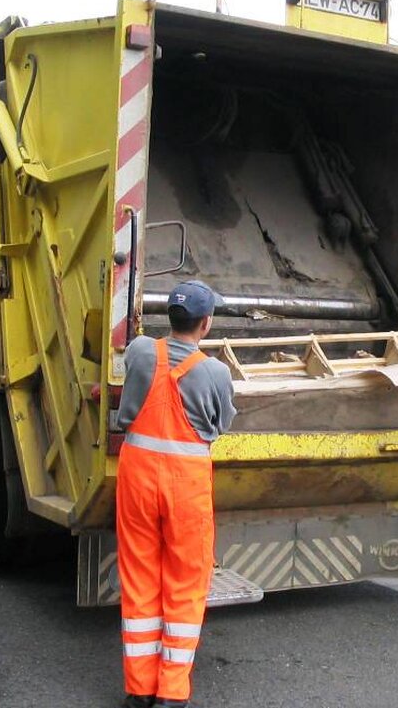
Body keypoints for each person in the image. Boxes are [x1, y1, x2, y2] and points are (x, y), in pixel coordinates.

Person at [115, 280, 237, 708]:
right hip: (186, 482)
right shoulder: (216, 372)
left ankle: (139, 690)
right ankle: (171, 694)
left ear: (169, 317)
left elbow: (128, 369)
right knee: (185, 583)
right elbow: (221, 426)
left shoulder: (141, 351)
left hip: (137, 475)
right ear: (205, 324)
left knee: (140, 577)